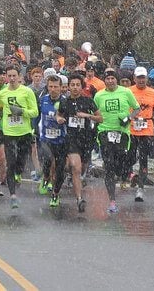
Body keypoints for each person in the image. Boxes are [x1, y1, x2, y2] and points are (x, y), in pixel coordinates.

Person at [0, 65, 39, 209]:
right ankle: (13, 196)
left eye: (14, 76)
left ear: (19, 77)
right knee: (10, 163)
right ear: (6, 77)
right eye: (9, 76)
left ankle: (18, 173)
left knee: (21, 162)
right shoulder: (2, 93)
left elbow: (35, 112)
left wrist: (21, 112)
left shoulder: (27, 92)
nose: (11, 79)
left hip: (24, 132)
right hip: (9, 133)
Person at [93, 68, 140, 213]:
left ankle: (126, 174)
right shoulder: (99, 95)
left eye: (112, 78)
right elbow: (94, 113)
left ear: (116, 80)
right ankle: (112, 201)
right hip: (104, 132)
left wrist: (128, 119)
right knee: (109, 165)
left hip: (122, 133)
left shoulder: (126, 92)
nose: (110, 81)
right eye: (107, 79)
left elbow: (137, 109)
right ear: (104, 81)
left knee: (121, 161)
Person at [56, 73, 102, 212]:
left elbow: (100, 118)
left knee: (80, 168)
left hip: (86, 139)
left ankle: (65, 173)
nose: (75, 88)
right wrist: (59, 118)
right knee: (76, 168)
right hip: (71, 139)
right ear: (68, 86)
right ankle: (79, 199)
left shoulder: (88, 101)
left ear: (82, 87)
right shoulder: (65, 102)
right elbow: (59, 114)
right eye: (72, 85)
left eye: (77, 85)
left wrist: (87, 115)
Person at [127, 67, 154, 202]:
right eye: (139, 77)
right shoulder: (128, 91)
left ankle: (140, 189)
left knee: (144, 159)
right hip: (131, 128)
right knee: (129, 157)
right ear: (134, 79)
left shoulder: (153, 92)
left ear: (147, 79)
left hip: (147, 129)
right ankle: (130, 174)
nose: (141, 80)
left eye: (143, 77)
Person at [37, 75, 67, 208]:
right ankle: (45, 177)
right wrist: (34, 130)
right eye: (51, 86)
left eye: (56, 87)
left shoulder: (66, 102)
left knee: (60, 170)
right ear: (47, 87)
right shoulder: (42, 100)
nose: (53, 89)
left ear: (61, 88)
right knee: (48, 159)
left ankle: (55, 193)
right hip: (46, 138)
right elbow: (36, 116)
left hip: (62, 140)